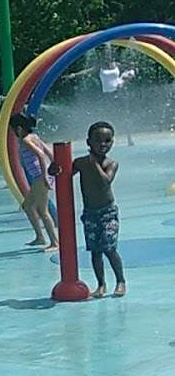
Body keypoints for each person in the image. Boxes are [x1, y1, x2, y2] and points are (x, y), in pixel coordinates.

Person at [70, 121, 126, 298]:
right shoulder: (80, 162)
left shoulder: (111, 164)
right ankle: (101, 284)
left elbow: (105, 182)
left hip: (108, 213)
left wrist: (93, 164)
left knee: (109, 248)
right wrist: (53, 168)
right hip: (90, 213)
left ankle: (120, 281)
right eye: (98, 140)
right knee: (95, 251)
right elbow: (63, 174)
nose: (103, 144)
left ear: (112, 142)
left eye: (107, 141)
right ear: (88, 142)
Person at [10, 112, 58, 250]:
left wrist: (45, 177)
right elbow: (48, 151)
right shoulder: (34, 137)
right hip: (41, 177)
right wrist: (54, 164)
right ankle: (40, 237)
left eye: (13, 131)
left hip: (39, 178)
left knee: (42, 210)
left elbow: (41, 155)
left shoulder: (26, 140)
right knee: (27, 206)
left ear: (19, 129)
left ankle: (55, 242)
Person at [98, 56, 135, 145]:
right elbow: (87, 71)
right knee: (107, 117)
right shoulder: (100, 66)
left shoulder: (117, 65)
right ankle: (105, 139)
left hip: (118, 92)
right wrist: (74, 75)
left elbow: (130, 69)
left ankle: (129, 138)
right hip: (107, 95)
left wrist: (129, 77)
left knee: (125, 115)